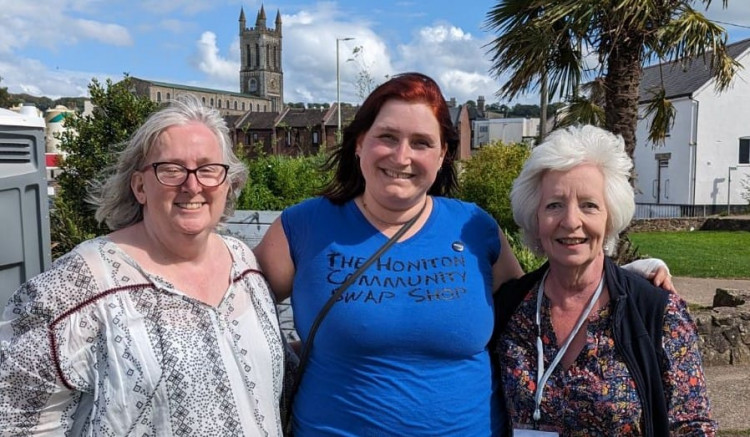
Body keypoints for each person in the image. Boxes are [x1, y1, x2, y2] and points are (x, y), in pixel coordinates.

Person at [255, 73, 672, 436]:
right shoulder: (305, 226)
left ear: (442, 156)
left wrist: (624, 279)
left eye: (421, 143)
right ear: (360, 143)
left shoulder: (473, 228)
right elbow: (235, 305)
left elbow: (535, 303)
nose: (402, 157)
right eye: (387, 137)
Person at [0, 96, 284, 435]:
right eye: (171, 169)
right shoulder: (79, 284)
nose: (192, 184)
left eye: (208, 169)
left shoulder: (246, 266)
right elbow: (16, 416)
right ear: (139, 187)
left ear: (226, 183)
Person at [492, 125, 715, 436]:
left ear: (610, 218)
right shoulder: (511, 308)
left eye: (589, 205)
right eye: (554, 205)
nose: (571, 221)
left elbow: (692, 427)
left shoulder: (658, 312)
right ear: (536, 219)